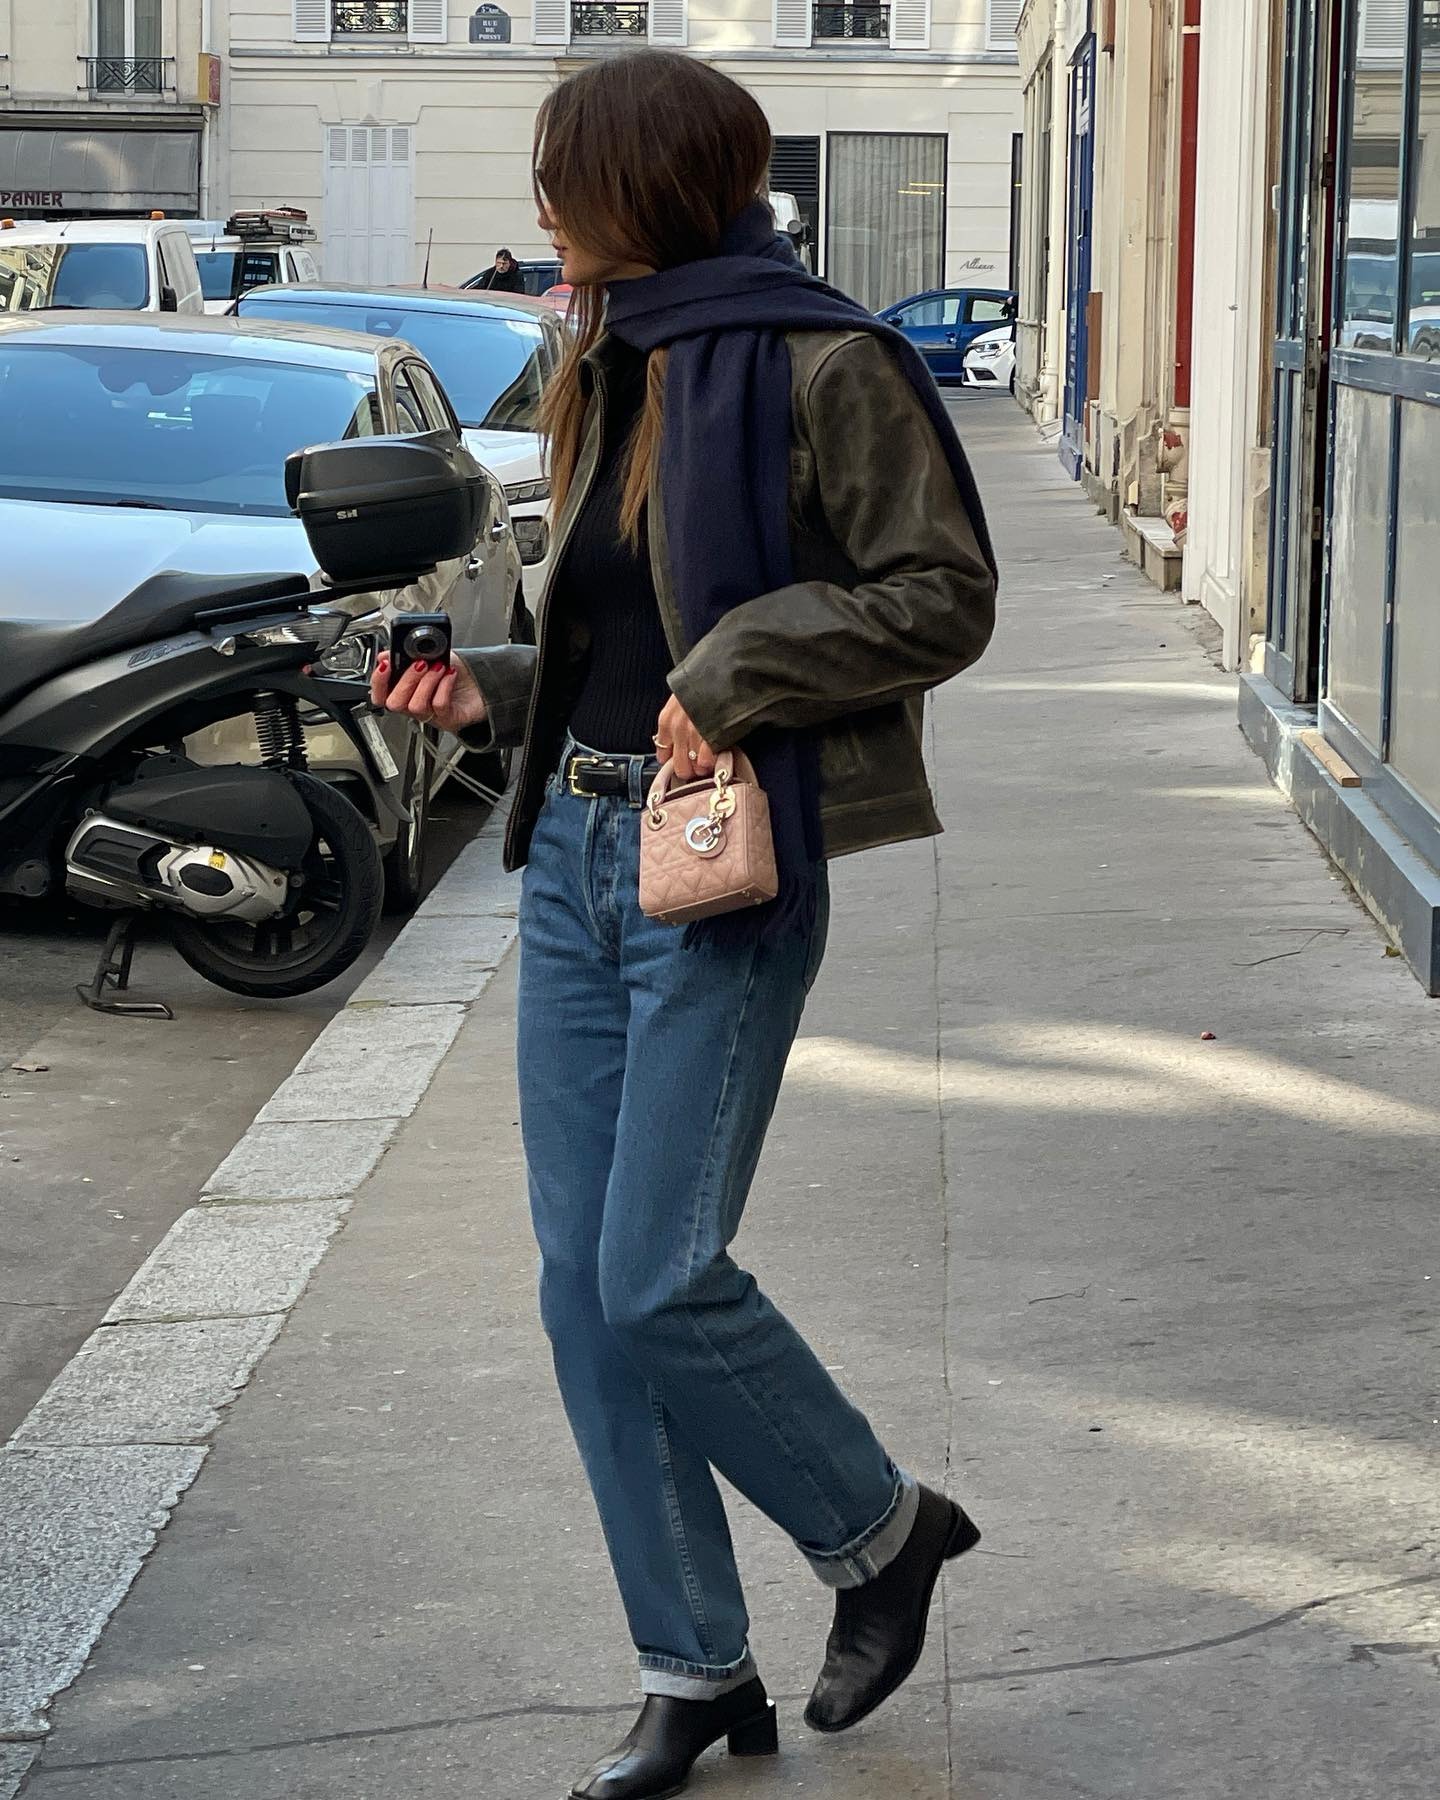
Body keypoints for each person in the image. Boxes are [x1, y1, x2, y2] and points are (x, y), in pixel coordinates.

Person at [374, 48, 997, 1800]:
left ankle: (880, 1537)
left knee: (656, 1276)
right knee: (586, 1296)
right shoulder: (610, 355)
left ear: (643, 182)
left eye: (563, 175)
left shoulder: (827, 359)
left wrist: (739, 671)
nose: (544, 211)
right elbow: (614, 643)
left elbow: (942, 595)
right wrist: (489, 687)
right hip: (571, 863)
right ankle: (691, 1666)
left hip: (716, 868)